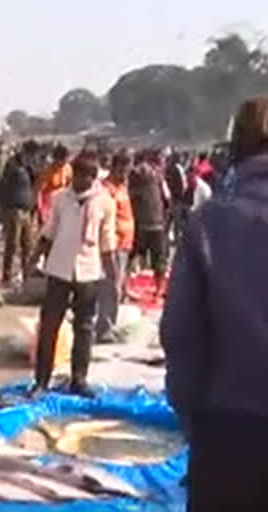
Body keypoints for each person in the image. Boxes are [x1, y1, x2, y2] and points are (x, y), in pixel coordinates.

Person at [161, 97, 268, 509]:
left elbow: (181, 333)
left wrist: (193, 417)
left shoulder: (212, 222)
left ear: (236, 146)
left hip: (230, 430)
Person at [28, 155, 116, 398]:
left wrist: (112, 276)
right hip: (59, 269)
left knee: (84, 328)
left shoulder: (104, 202)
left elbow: (107, 241)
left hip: (89, 271)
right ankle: (41, 381)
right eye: (77, 176)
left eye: (86, 177)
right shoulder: (60, 199)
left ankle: (79, 379)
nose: (80, 181)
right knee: (49, 326)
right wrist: (34, 259)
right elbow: (49, 232)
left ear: (93, 177)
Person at [96, 153, 134, 344]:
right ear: (115, 167)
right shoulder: (106, 189)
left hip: (124, 245)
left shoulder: (122, 187)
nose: (126, 173)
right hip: (113, 245)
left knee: (116, 287)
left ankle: (108, 325)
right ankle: (104, 329)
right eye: (124, 169)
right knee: (110, 288)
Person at [128, 154, 169, 296]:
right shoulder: (157, 174)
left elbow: (130, 197)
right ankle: (160, 288)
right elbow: (166, 197)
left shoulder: (134, 174)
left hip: (140, 222)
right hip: (157, 222)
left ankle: (123, 286)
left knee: (131, 255)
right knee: (159, 258)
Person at [0, 151, 35, 286]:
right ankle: (7, 276)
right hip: (15, 212)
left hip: (25, 211)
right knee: (13, 245)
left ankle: (25, 275)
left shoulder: (27, 170)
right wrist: (4, 209)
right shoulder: (12, 172)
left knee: (27, 245)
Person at [35, 144, 72, 226]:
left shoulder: (68, 168)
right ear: (55, 159)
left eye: (66, 160)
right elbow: (38, 191)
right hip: (48, 205)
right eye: (61, 160)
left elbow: (70, 186)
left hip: (63, 204)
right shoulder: (47, 171)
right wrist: (41, 210)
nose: (63, 163)